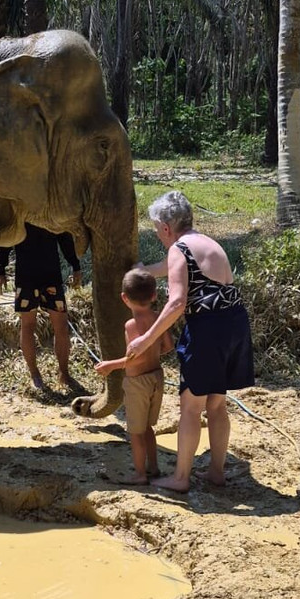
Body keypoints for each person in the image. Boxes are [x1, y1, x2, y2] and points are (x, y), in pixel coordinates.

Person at [125, 191, 254, 492]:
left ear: (167, 227)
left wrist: (145, 339)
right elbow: (173, 268)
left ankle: (181, 478)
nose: (157, 235)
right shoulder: (205, 243)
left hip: (207, 330)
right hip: (234, 324)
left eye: (157, 229)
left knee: (191, 406)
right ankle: (216, 473)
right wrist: (143, 271)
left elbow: (176, 303)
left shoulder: (178, 249)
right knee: (217, 403)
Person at [94, 269, 175, 484]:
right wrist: (154, 353)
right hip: (157, 378)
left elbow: (134, 358)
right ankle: (153, 467)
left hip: (137, 383)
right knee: (147, 427)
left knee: (135, 432)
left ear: (124, 298)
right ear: (154, 296)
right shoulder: (158, 319)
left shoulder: (131, 325)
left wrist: (111, 365)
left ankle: (139, 474)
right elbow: (168, 345)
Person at [0, 223, 83, 390]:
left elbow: (64, 237)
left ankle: (64, 374)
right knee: (28, 325)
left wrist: (75, 265)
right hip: (26, 277)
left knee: (61, 326)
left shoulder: (51, 210)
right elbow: (5, 238)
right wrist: (0, 270)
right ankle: (34, 375)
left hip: (51, 276)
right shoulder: (19, 210)